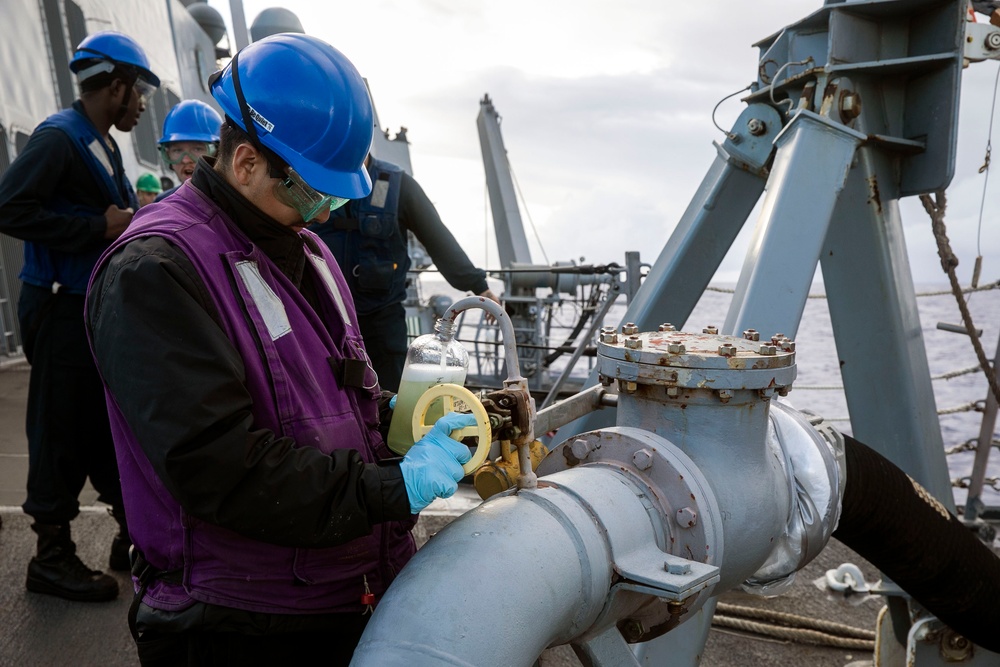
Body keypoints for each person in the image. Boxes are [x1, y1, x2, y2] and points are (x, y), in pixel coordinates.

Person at [86, 34, 474, 665]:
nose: (322, 214)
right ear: (244, 162)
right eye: (309, 192)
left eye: (335, 196)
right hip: (238, 620)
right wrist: (391, 489)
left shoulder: (306, 252)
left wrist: (400, 424)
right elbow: (219, 467)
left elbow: (329, 396)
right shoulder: (153, 271)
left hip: (339, 591)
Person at [0, 31, 158, 602]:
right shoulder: (59, 138)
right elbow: (9, 207)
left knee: (95, 422)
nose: (140, 104)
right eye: (136, 92)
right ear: (114, 86)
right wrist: (99, 227)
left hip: (84, 306)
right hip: (59, 304)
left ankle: (131, 533)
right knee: (58, 427)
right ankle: (50, 557)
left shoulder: (97, 140)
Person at [310, 155, 500, 391]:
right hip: (323, 314)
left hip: (382, 319)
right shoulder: (312, 175)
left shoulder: (396, 184)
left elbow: (438, 239)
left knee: (388, 394)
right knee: (325, 391)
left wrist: (480, 285)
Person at [154, 99, 222, 201]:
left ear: (218, 153)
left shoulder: (236, 204)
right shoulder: (160, 205)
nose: (186, 160)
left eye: (197, 149)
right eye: (177, 151)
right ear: (167, 154)